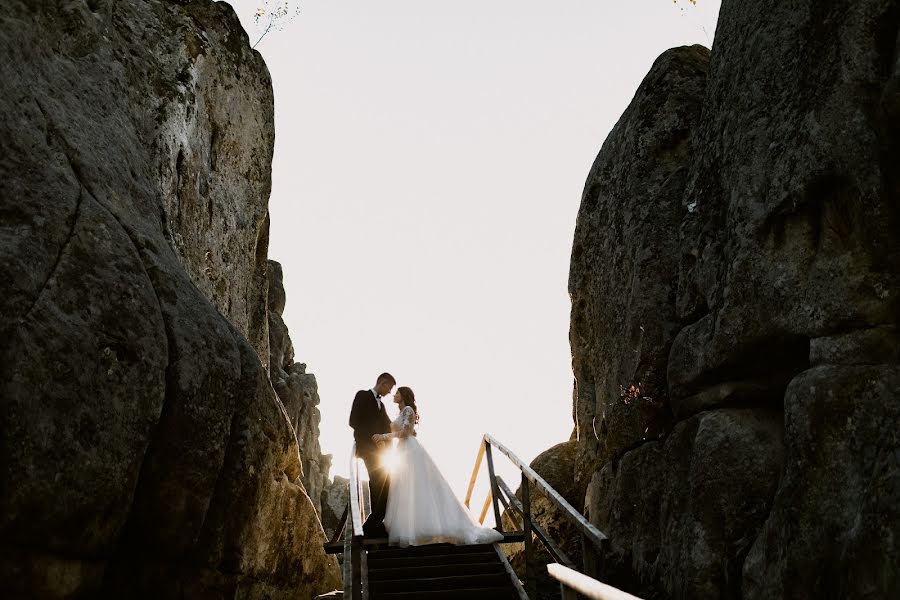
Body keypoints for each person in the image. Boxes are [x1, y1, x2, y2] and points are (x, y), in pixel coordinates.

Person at [375, 386, 504, 547]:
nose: (394, 395)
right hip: (401, 451)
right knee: (405, 488)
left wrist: (384, 436)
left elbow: (406, 432)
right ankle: (411, 528)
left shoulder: (408, 410)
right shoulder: (400, 413)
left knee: (419, 487)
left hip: (410, 450)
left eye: (398, 393)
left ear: (404, 396)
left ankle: (434, 526)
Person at [348, 372, 395, 538]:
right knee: (378, 483)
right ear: (382, 383)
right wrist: (374, 438)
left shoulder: (382, 406)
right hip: (367, 449)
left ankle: (373, 525)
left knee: (384, 484)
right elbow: (353, 421)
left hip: (381, 454)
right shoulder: (362, 396)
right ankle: (372, 526)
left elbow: (389, 427)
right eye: (389, 388)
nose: (390, 393)